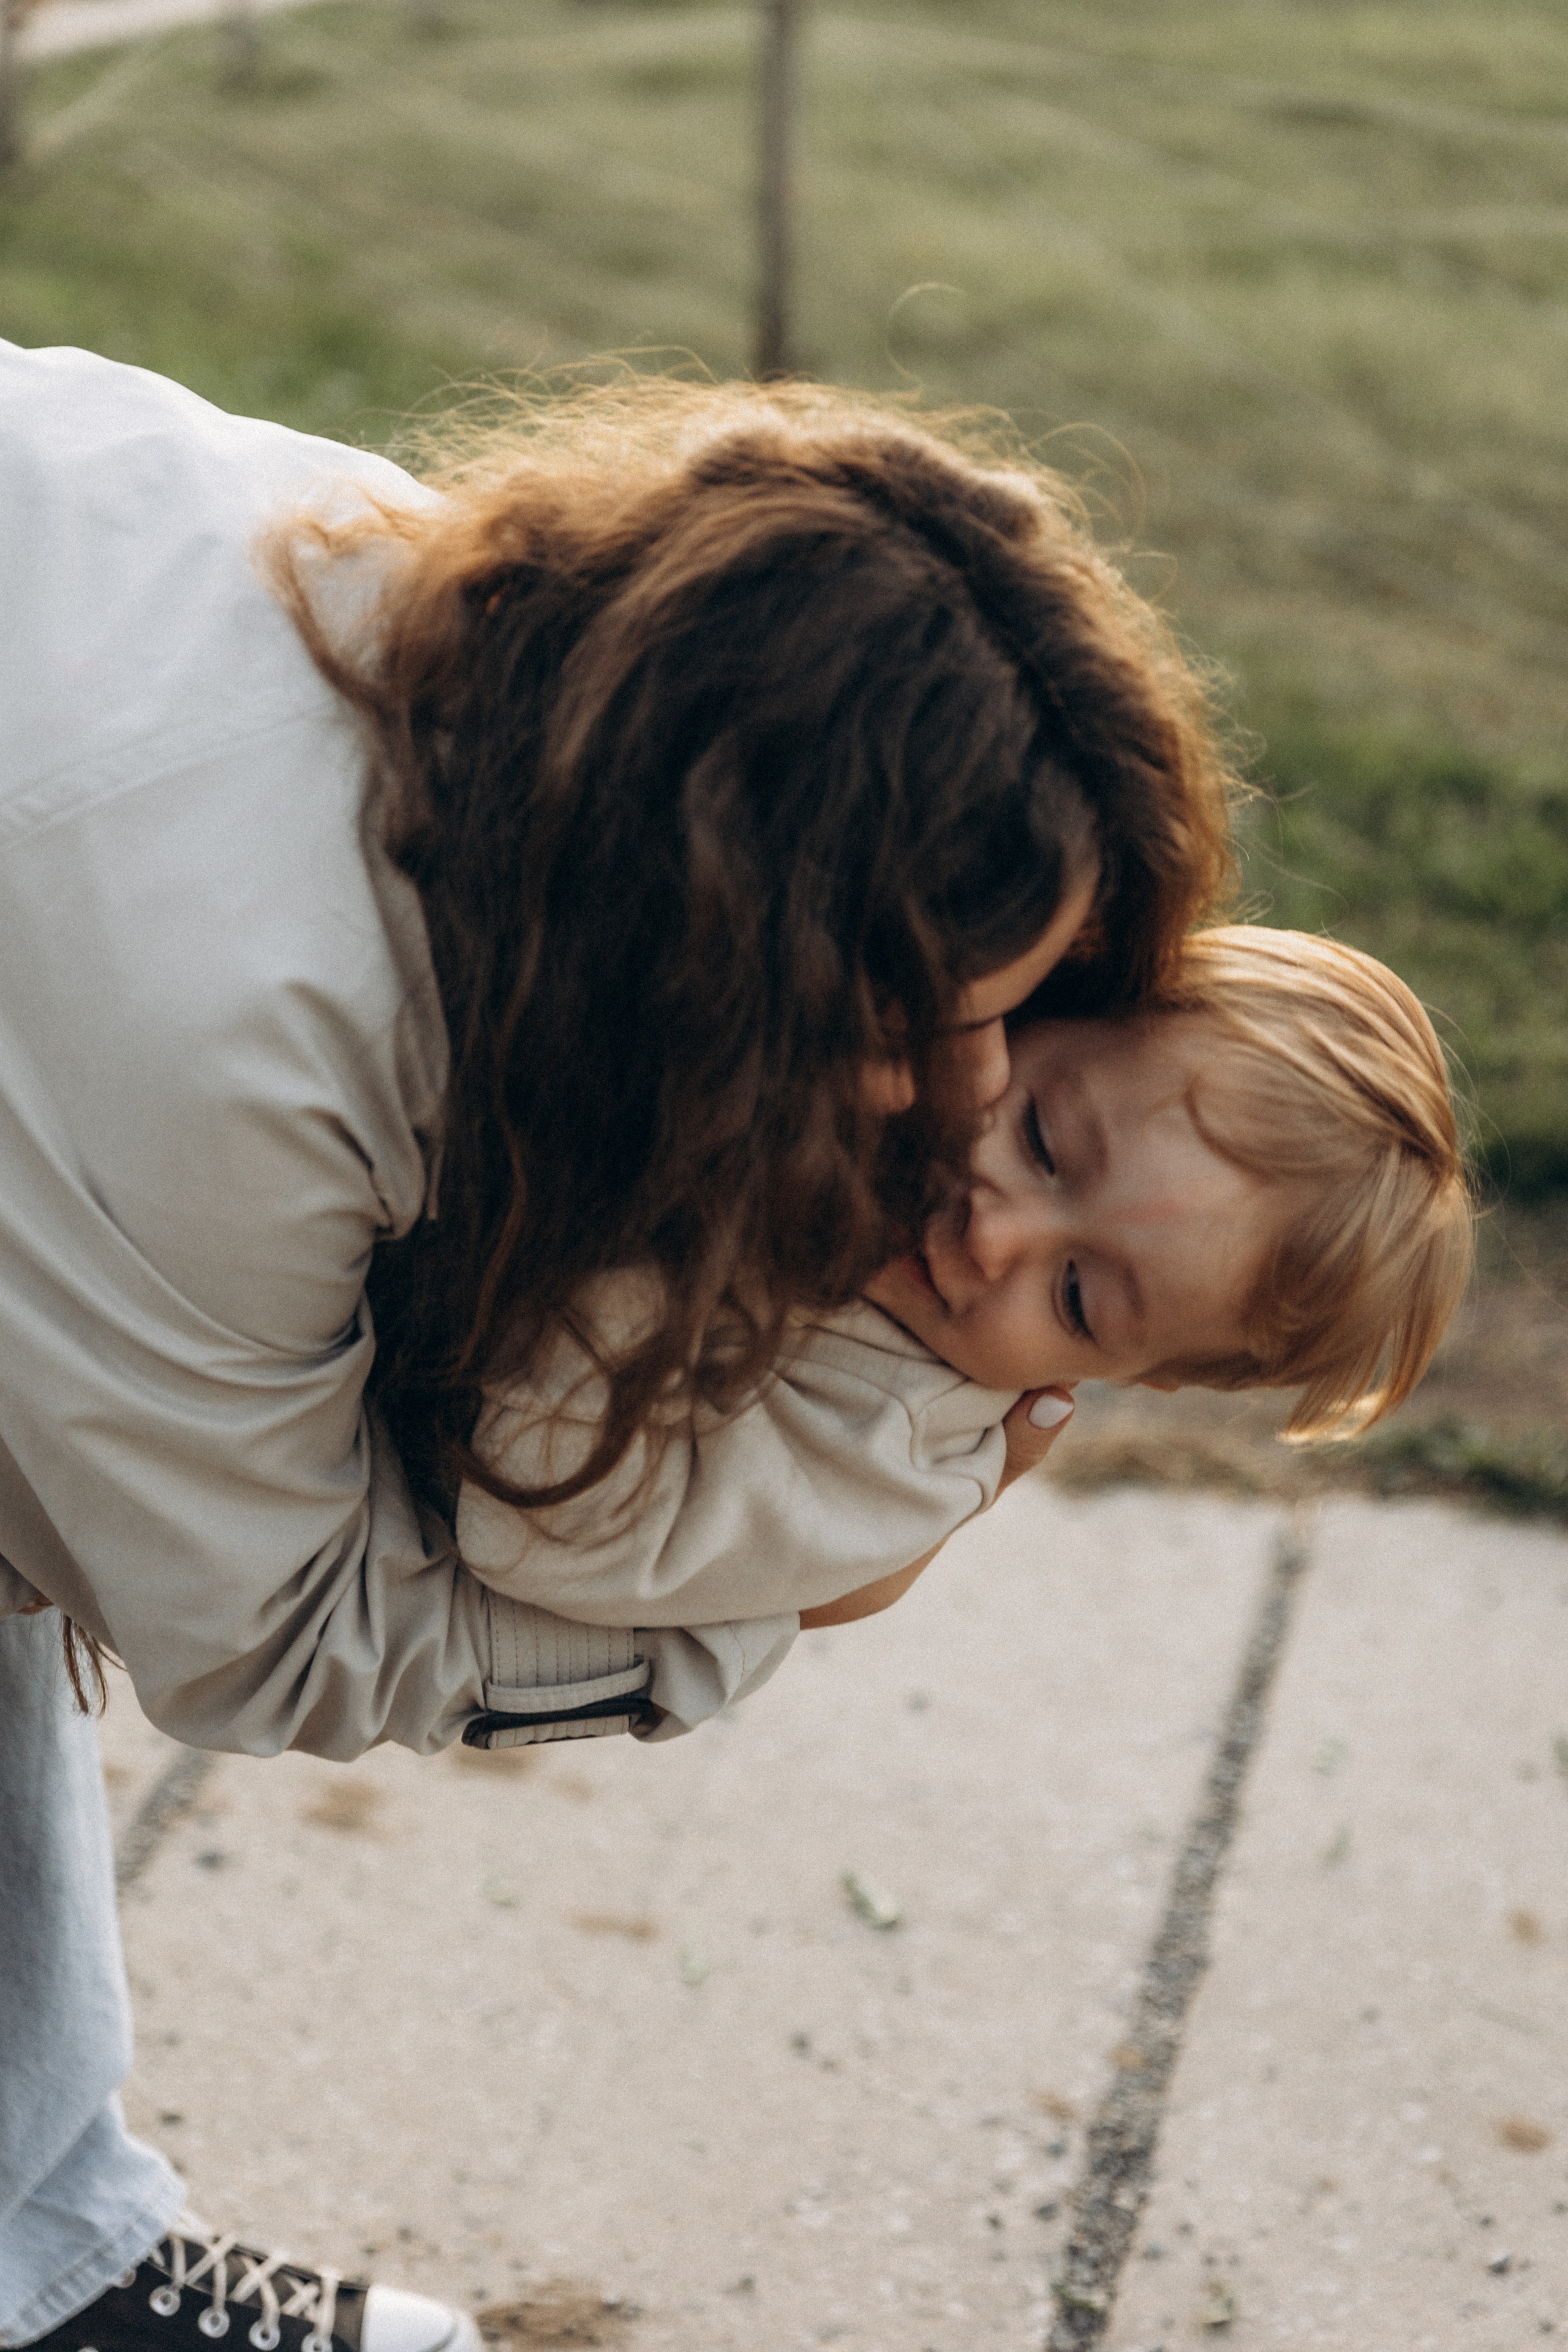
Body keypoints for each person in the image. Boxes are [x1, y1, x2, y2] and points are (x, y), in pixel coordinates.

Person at [0, 339, 1235, 2352]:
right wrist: (780, 1601)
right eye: (909, 1016)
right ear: (714, 933)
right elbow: (276, 1636)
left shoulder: (476, 646)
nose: (951, 1101)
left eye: (1012, 1023)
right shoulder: (236, 1022)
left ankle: (47, 2252)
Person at [453, 924, 1474, 1711]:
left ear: (1138, 1375)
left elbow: (542, 1529)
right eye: (1041, 1138)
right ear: (1030, 1011)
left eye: (1076, 1297)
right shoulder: (854, 1032)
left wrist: (717, 1200)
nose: (998, 1237)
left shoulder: (892, 1455)